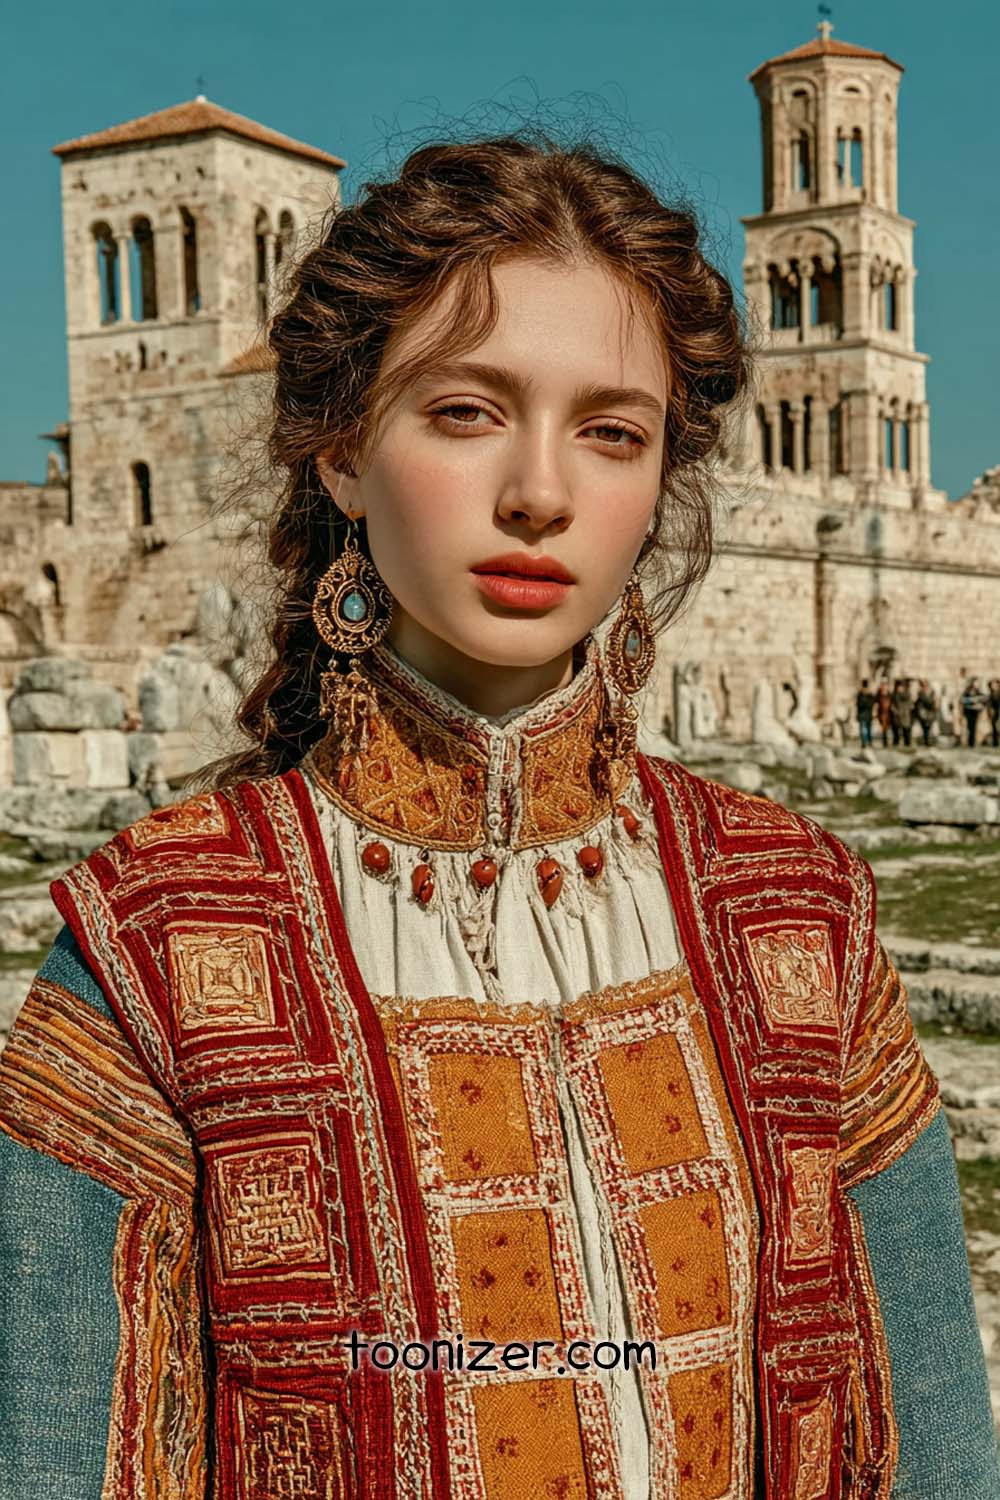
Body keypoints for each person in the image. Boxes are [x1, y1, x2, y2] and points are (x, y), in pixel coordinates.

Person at [2, 131, 998, 1500]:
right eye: (467, 412)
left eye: (612, 433)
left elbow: (934, 1443)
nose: (540, 492)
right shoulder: (149, 950)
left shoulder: (804, 915)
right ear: (343, 451)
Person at [962, 676, 987, 748]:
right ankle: (969, 743)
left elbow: (984, 698)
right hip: (968, 712)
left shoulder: (978, 691)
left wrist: (979, 703)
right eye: (976, 682)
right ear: (972, 683)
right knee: (969, 728)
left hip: (975, 713)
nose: (977, 684)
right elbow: (963, 700)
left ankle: (972, 743)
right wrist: (973, 700)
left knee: (974, 728)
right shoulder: (967, 691)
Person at [913, 679, 938, 747]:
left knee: (929, 727)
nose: (925, 687)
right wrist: (920, 712)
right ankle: (926, 741)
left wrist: (935, 707)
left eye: (926, 685)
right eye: (924, 686)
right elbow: (918, 704)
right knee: (925, 727)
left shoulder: (932, 693)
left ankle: (928, 741)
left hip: (930, 712)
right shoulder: (920, 694)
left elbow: (934, 703)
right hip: (923, 713)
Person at [890, 676, 913, 748]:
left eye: (901, 687)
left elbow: (910, 704)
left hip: (905, 714)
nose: (899, 688)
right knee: (896, 730)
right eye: (898, 687)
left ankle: (907, 744)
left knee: (906, 730)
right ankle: (896, 743)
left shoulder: (907, 694)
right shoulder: (894, 695)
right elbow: (892, 705)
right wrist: (894, 710)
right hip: (897, 715)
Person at [855, 677, 875, 748]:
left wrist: (864, 704)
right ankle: (864, 742)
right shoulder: (860, 694)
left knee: (868, 729)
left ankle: (869, 742)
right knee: (863, 729)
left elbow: (871, 703)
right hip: (862, 714)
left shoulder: (869, 694)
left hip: (867, 714)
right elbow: (858, 704)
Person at [875, 676, 893, 748]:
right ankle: (885, 742)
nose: (884, 686)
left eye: (886, 684)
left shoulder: (889, 694)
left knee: (888, 728)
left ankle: (889, 741)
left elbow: (892, 702)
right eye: (883, 684)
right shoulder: (878, 694)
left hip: (889, 713)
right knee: (884, 728)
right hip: (882, 713)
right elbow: (876, 704)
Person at [987, 677, 1000, 748]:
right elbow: (989, 704)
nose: (994, 686)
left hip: (998, 712)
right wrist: (990, 712)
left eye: (995, 684)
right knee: (994, 728)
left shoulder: (998, 693)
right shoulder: (991, 694)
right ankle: (995, 743)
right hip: (994, 714)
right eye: (992, 685)